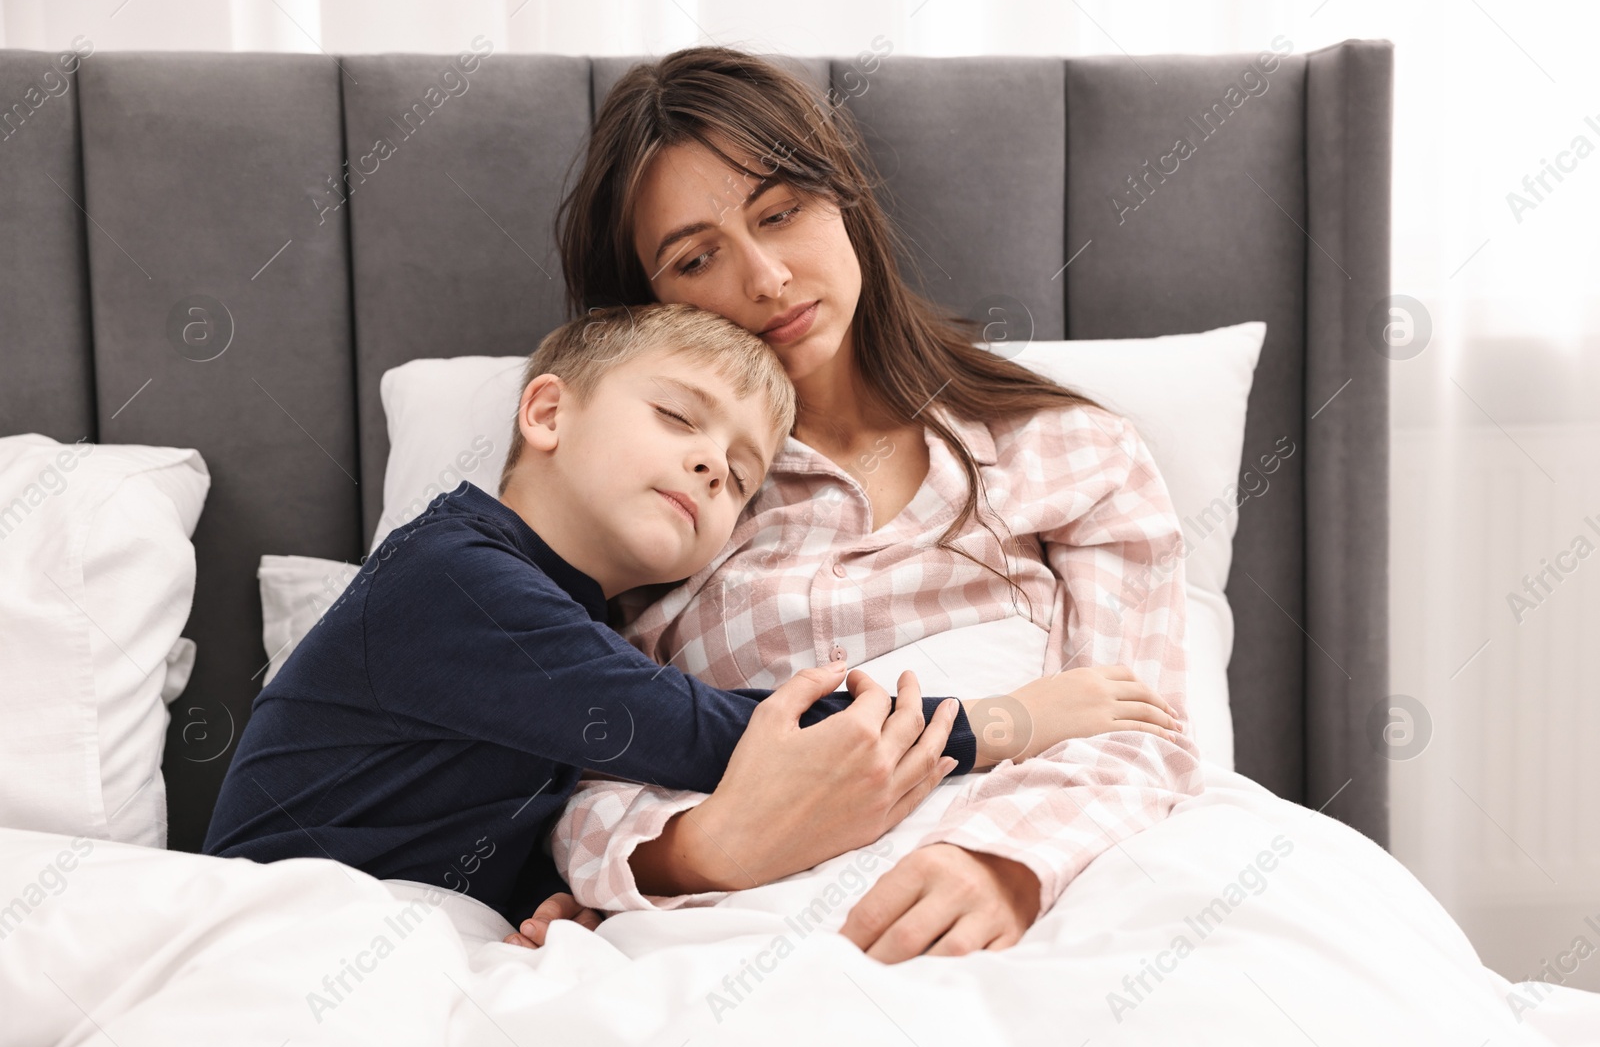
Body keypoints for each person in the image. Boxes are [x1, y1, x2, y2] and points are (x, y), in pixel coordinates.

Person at [506, 45, 1207, 963]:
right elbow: (583, 786)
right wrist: (706, 850)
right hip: (755, 913)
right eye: (695, 258)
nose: (764, 279)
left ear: (845, 203)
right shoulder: (665, 505)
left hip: (1058, 886)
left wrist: (1000, 860)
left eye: (783, 212)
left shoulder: (1073, 452)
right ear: (649, 307)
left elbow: (1141, 729)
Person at [202, 302, 1176, 928]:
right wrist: (1012, 719)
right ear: (546, 414)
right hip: (277, 923)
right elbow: (715, 734)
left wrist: (543, 897)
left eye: (743, 473)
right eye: (677, 417)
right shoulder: (456, 576)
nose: (714, 462)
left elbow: (461, 805)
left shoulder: (567, 622)